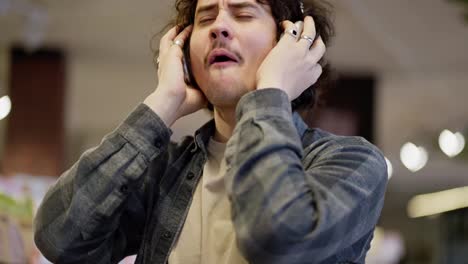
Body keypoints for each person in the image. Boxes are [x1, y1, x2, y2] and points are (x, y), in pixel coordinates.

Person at [34, 0, 388, 263]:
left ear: (291, 42)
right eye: (206, 18)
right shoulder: (166, 172)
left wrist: (271, 91)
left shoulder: (353, 162)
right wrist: (163, 103)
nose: (219, 27)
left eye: (243, 13)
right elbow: (58, 236)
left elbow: (277, 239)